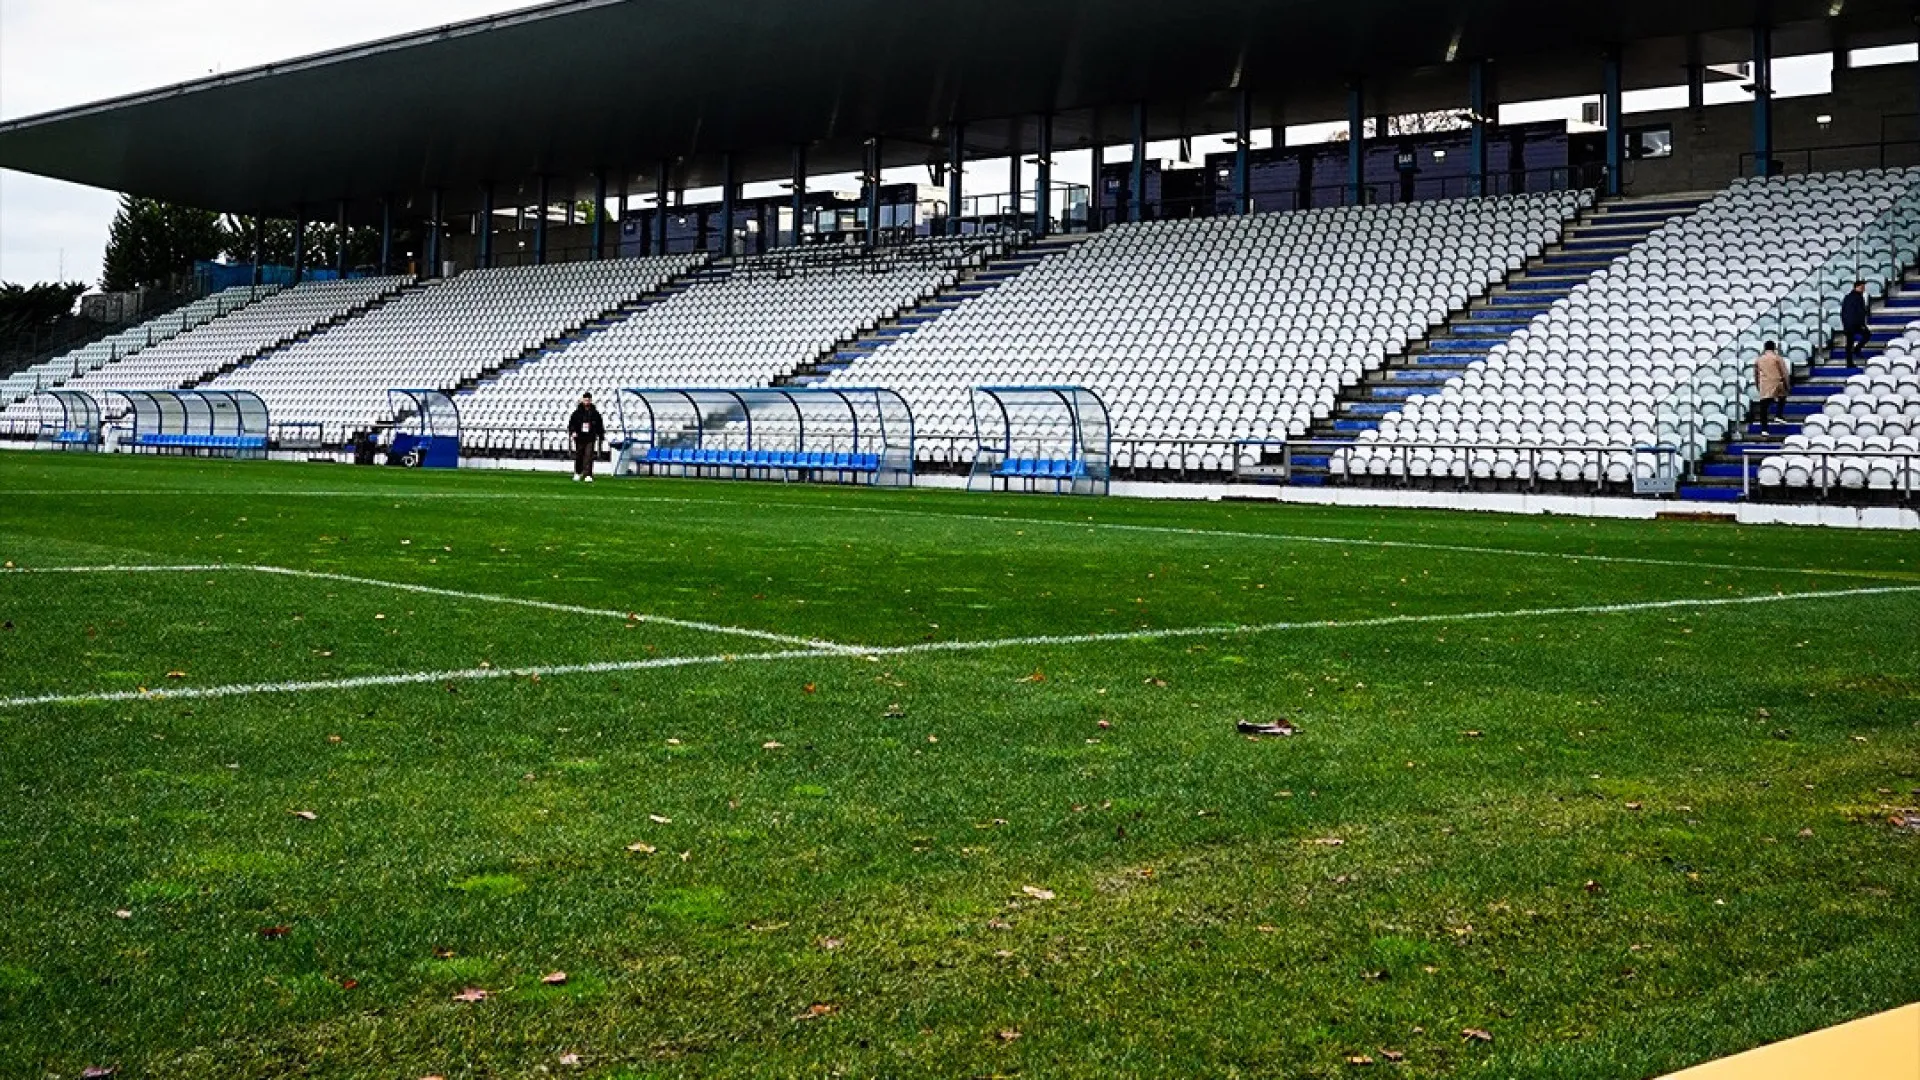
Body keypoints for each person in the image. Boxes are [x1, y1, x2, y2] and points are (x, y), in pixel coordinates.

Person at [1752, 341, 1790, 434]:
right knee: (1782, 397)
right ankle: (1778, 415)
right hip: (1777, 382)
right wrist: (1787, 384)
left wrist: (1758, 385)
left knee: (1763, 407)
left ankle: (1764, 429)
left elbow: (1756, 374)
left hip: (1765, 384)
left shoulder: (1759, 359)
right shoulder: (1777, 358)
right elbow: (1784, 372)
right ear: (1774, 348)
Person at [567, 393, 606, 482]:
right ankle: (578, 472)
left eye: (588, 400)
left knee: (589, 456)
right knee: (579, 455)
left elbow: (599, 425)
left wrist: (601, 435)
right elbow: (571, 424)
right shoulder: (577, 413)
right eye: (585, 400)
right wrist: (573, 432)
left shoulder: (595, 413)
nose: (587, 401)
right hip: (579, 437)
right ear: (582, 400)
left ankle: (588, 474)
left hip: (590, 437)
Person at [1841, 281, 1871, 364]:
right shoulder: (1858, 298)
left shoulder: (1847, 297)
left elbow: (1843, 311)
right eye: (1862, 287)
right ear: (1856, 287)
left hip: (1848, 323)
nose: (1863, 289)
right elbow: (1859, 312)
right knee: (1866, 335)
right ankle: (1855, 352)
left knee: (1850, 343)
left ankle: (1850, 360)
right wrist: (1862, 324)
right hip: (1855, 323)